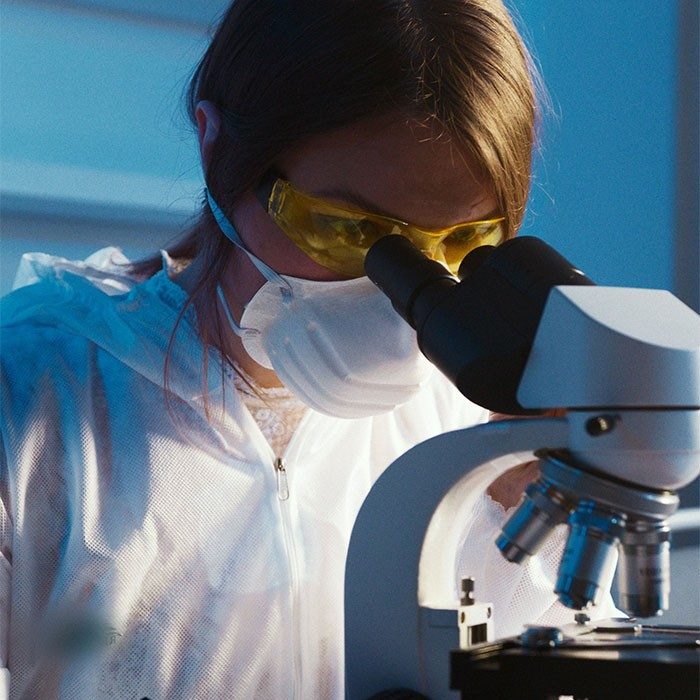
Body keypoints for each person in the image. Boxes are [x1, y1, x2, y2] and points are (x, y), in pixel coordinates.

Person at [0, 1, 620, 698]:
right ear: (216, 149)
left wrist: (507, 495)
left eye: (460, 244)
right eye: (348, 230)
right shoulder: (33, 397)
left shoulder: (465, 419)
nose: (398, 298)